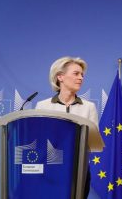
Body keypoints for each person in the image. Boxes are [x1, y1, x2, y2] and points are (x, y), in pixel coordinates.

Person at [35, 56, 98, 198]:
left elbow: (93, 142)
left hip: (79, 169)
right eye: (76, 74)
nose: (81, 78)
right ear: (60, 77)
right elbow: (39, 139)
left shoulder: (89, 107)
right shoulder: (43, 106)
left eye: (82, 75)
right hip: (50, 168)